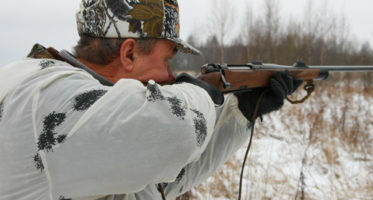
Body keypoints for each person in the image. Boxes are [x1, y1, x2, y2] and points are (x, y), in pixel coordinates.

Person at [0, 0, 302, 199]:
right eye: (167, 60)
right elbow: (177, 132)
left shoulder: (98, 116)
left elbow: (161, 177)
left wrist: (242, 112)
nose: (170, 77)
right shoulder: (44, 96)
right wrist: (201, 91)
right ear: (129, 53)